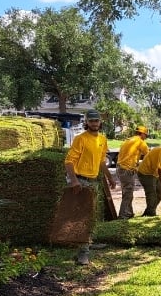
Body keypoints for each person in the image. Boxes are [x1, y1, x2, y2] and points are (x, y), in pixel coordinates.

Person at [64, 109, 116, 265]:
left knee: (91, 215)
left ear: (100, 122)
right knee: (82, 217)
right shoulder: (81, 139)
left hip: (93, 181)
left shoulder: (102, 139)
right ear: (86, 122)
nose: (94, 123)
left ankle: (88, 243)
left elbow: (101, 162)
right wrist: (74, 181)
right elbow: (69, 162)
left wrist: (110, 178)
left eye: (96, 121)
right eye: (91, 121)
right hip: (80, 181)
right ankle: (83, 253)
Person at [116, 125, 149, 219]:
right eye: (145, 135)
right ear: (142, 134)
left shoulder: (128, 140)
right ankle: (123, 215)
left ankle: (129, 213)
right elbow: (149, 155)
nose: (145, 137)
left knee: (127, 191)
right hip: (127, 169)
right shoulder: (140, 142)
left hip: (120, 169)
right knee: (128, 193)